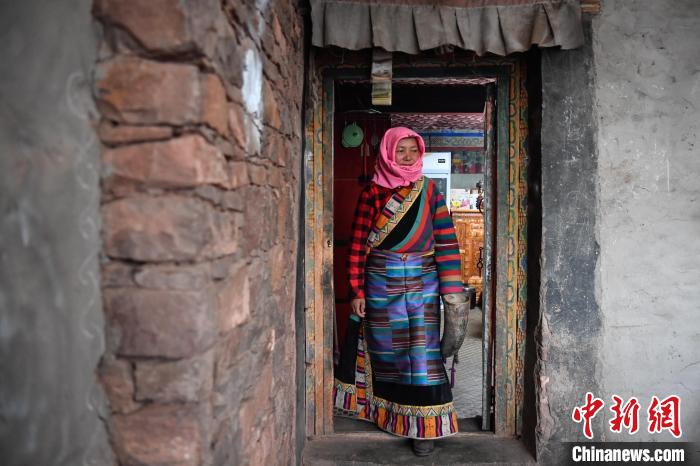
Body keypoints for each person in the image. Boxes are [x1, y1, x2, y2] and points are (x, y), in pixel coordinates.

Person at [333, 127, 465, 456]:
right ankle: (387, 415)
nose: (406, 157)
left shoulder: (429, 191)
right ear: (388, 154)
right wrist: (357, 291)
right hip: (380, 282)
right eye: (400, 150)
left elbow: (446, 242)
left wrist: (451, 293)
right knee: (385, 353)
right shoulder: (373, 192)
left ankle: (424, 429)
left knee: (423, 356)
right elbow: (358, 245)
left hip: (423, 283)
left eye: (412, 150)